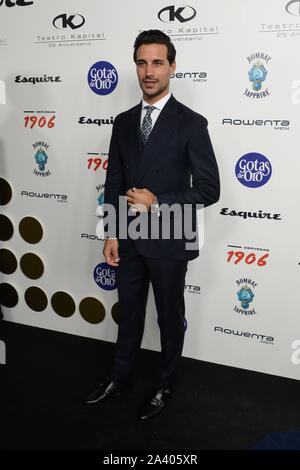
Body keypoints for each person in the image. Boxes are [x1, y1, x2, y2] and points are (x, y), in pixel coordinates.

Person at [84, 30, 220, 420]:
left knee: (168, 317)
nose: (149, 71)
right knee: (128, 313)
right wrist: (110, 231)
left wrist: (158, 201)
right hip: (127, 237)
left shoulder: (192, 124)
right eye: (142, 62)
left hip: (170, 236)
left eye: (157, 62)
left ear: (172, 67)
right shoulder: (124, 121)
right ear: (136, 67)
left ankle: (165, 384)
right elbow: (113, 180)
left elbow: (210, 190)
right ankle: (120, 378)